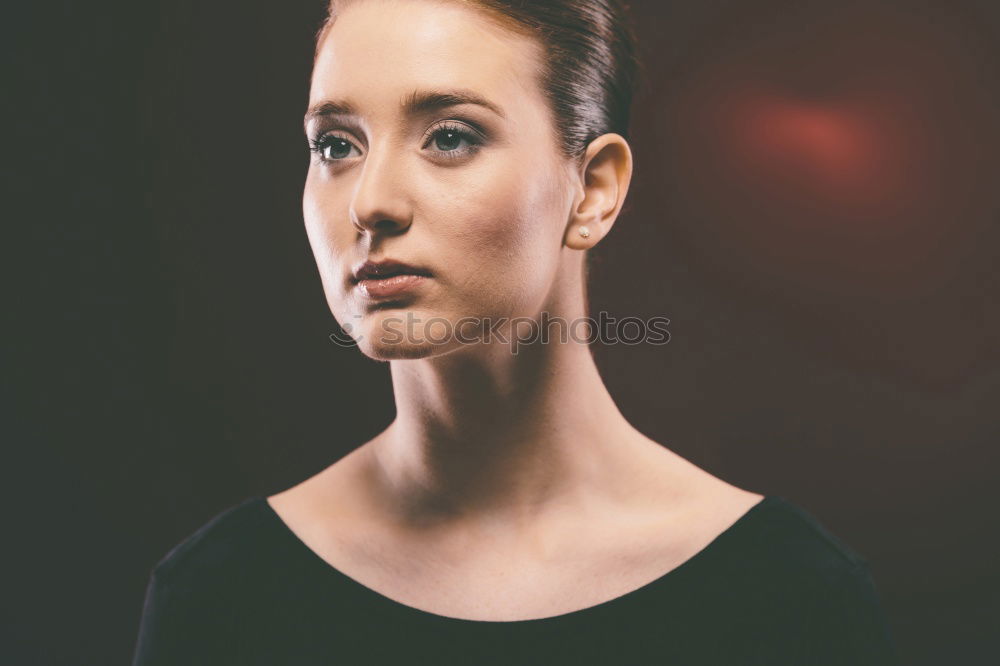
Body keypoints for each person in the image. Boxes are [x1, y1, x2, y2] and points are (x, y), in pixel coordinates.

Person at [131, 0, 898, 663]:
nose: (371, 201)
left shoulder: (789, 598)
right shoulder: (224, 597)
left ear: (592, 190)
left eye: (451, 136)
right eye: (336, 145)